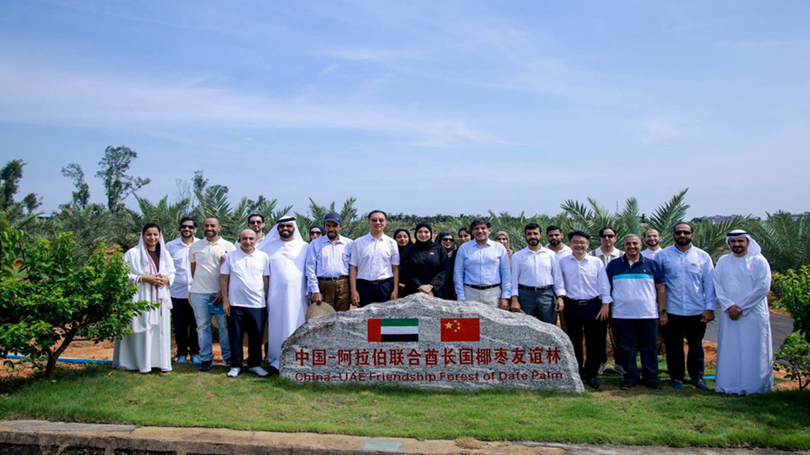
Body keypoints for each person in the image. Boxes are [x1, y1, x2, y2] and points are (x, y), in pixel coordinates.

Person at [656, 222, 716, 390]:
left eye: (686, 232)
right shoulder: (663, 256)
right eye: (678, 232)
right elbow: (657, 285)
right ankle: (676, 377)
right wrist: (661, 311)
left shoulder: (702, 256)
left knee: (696, 345)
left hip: (696, 310)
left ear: (692, 235)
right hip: (672, 310)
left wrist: (709, 308)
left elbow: (709, 284)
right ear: (673, 235)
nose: (682, 235)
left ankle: (697, 377)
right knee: (673, 346)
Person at [714, 230, 773, 395]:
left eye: (740, 241)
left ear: (748, 242)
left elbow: (763, 287)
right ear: (729, 243)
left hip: (753, 313)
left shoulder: (759, 261)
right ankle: (728, 385)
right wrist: (729, 306)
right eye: (733, 241)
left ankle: (755, 387)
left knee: (755, 349)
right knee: (730, 349)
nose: (737, 244)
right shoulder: (723, 261)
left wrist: (741, 308)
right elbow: (717, 284)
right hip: (729, 314)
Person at [606, 234, 667, 391]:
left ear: (641, 245)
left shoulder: (652, 264)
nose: (632, 246)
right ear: (624, 246)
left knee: (649, 347)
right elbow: (607, 289)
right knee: (626, 348)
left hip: (648, 314)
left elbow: (661, 289)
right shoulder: (614, 266)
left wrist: (662, 311)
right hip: (621, 315)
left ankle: (651, 378)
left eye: (635, 243)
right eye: (628, 244)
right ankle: (630, 377)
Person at [552, 230, 612, 389]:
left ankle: (591, 374)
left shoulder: (596, 262)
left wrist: (605, 304)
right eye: (576, 242)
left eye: (582, 242)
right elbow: (559, 283)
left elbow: (604, 284)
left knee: (594, 341)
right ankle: (577, 372)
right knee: (574, 340)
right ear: (570, 244)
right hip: (572, 305)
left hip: (594, 306)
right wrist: (560, 297)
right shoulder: (562, 262)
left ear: (588, 244)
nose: (579, 245)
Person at [113, 223, 176, 374]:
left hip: (160, 300)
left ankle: (159, 363)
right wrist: (144, 278)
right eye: (148, 234)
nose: (152, 238)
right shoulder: (132, 254)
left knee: (159, 331)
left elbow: (172, 272)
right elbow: (122, 275)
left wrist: (166, 279)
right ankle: (138, 363)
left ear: (159, 236)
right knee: (141, 331)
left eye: (155, 234)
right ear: (143, 236)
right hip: (141, 297)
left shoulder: (165, 255)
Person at [259, 216, 310, 371]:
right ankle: (276, 358)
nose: (285, 228)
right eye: (282, 226)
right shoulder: (267, 248)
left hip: (298, 296)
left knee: (297, 324)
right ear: (278, 228)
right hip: (276, 297)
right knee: (277, 326)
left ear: (294, 227)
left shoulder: (304, 246)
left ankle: (298, 357)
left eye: (288, 226)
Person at [220, 229, 270, 378]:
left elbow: (265, 279)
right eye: (244, 238)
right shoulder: (229, 257)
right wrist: (226, 301)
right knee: (235, 336)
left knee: (257, 336)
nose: (248, 242)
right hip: (236, 304)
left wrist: (264, 298)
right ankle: (236, 365)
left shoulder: (263, 257)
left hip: (257, 304)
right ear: (239, 240)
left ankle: (254, 364)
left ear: (256, 240)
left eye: (251, 239)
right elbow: (224, 278)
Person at [189, 216, 236, 372]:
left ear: (219, 227)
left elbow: (232, 272)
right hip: (199, 293)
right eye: (206, 226)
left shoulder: (228, 246)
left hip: (220, 295)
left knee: (224, 327)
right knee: (203, 327)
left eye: (212, 226)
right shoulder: (195, 246)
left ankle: (227, 357)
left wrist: (222, 291)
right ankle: (206, 358)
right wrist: (200, 284)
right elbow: (194, 269)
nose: (209, 228)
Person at [165, 217, 201, 365]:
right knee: (179, 326)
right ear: (180, 228)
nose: (187, 229)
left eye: (190, 227)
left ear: (195, 229)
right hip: (176, 292)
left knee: (196, 325)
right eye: (184, 226)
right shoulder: (170, 246)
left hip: (196, 291)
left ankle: (195, 353)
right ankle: (181, 353)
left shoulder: (201, 245)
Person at [454, 218, 512, 308]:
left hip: (493, 294)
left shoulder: (499, 248)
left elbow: (506, 273)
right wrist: (460, 295)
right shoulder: (464, 248)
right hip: (470, 293)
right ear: (472, 232)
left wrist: (505, 296)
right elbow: (458, 272)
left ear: (489, 231)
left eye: (483, 228)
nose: (480, 231)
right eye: (476, 228)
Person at [590, 226, 625, 374]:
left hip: (619, 300)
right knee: (599, 333)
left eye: (610, 236)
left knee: (619, 332)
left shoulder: (623, 255)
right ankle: (600, 362)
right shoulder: (591, 255)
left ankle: (620, 363)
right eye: (604, 236)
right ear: (600, 238)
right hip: (598, 300)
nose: (607, 238)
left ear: (615, 238)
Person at [350, 210, 400, 307]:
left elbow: (395, 268)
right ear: (369, 222)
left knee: (385, 315)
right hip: (364, 287)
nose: (378, 222)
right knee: (364, 315)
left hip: (384, 287)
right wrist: (354, 290)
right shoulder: (358, 243)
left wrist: (395, 290)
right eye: (374, 220)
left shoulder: (391, 243)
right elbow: (353, 267)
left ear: (385, 223)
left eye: (381, 220)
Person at [306, 212, 353, 312]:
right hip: (323, 285)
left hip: (343, 285)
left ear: (340, 226)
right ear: (324, 226)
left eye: (334, 226)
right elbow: (310, 268)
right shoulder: (315, 244)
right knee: (323, 316)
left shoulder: (349, 244)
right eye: (328, 226)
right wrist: (315, 290)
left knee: (343, 316)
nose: (331, 229)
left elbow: (353, 267)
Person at [510, 223, 558, 324]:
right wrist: (514, 299)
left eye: (535, 233)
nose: (532, 236)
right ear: (525, 236)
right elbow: (514, 279)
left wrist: (560, 297)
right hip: (525, 295)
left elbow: (558, 278)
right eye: (529, 234)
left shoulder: (551, 255)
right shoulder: (518, 256)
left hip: (546, 295)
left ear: (541, 235)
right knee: (525, 327)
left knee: (548, 326)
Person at [401, 222, 450, 298]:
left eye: (426, 232)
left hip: (436, 291)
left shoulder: (439, 249)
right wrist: (421, 287)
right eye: (420, 232)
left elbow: (445, 270)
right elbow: (405, 271)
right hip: (413, 291)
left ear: (430, 233)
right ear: (416, 233)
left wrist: (431, 286)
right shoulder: (408, 251)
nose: (423, 234)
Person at [394, 228, 414, 297]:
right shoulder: (391, 252)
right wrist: (397, 284)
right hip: (394, 286)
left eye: (405, 237)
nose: (402, 239)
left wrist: (407, 285)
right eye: (399, 237)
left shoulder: (415, 252)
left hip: (412, 286)